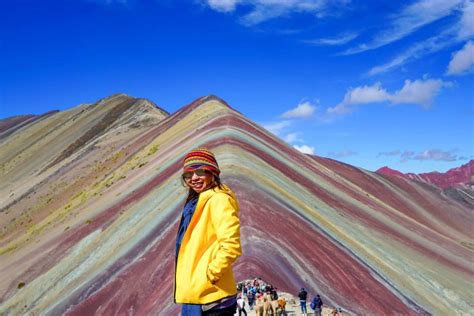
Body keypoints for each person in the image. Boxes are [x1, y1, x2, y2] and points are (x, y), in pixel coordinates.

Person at [174, 148, 242, 315]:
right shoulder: (197, 201)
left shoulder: (219, 199)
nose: (194, 178)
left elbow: (231, 245)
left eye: (200, 171)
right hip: (199, 295)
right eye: (188, 174)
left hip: (213, 300)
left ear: (212, 172)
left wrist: (210, 275)